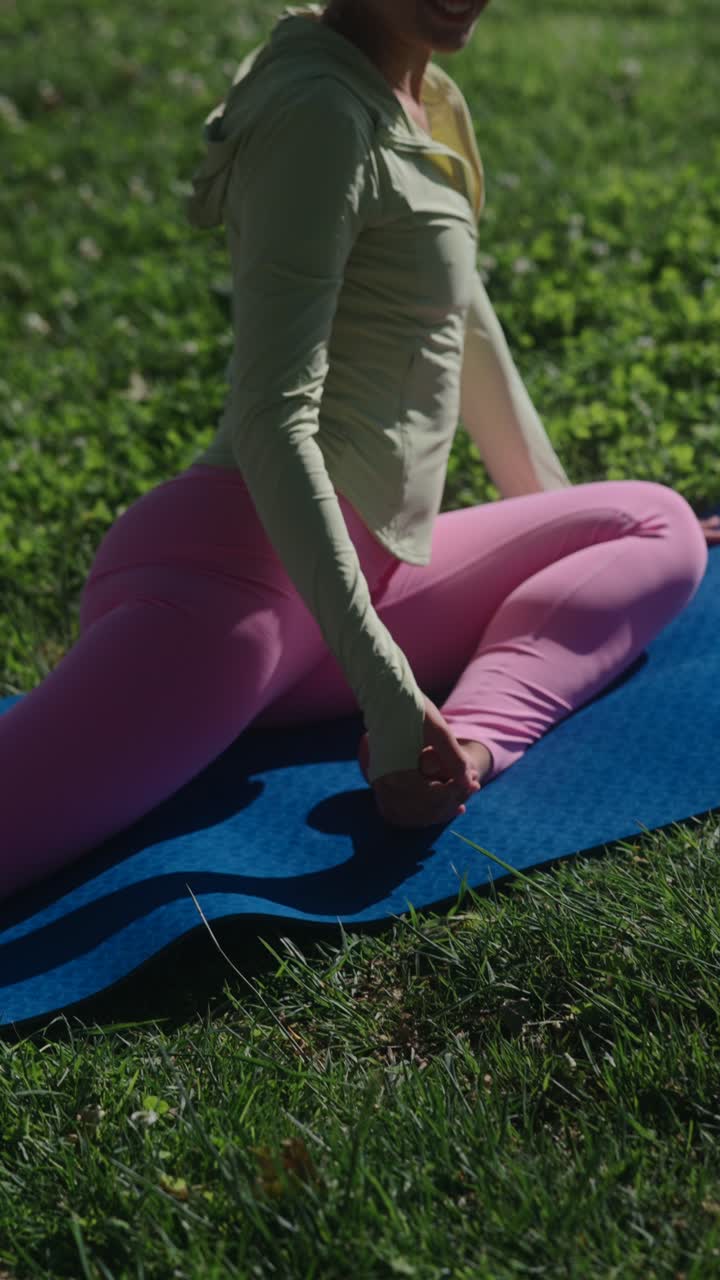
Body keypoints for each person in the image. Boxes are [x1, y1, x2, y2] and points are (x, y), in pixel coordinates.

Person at [0, 0, 714, 902]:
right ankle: (413, 729)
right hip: (230, 596)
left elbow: (460, 318)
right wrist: (384, 688)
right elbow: (271, 417)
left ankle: (462, 748)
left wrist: (560, 513)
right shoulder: (319, 114)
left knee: (654, 523)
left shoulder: (416, 91)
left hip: (370, 576)